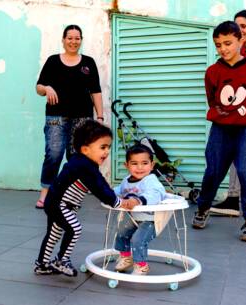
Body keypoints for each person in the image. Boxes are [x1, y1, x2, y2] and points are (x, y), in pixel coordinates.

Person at [34, 120, 139, 277]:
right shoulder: (84, 166)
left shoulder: (85, 163)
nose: (106, 152)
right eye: (102, 147)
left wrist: (113, 194)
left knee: (54, 234)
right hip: (59, 204)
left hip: (57, 203)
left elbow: (100, 182)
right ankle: (61, 260)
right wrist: (117, 202)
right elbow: (98, 188)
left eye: (108, 147)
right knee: (74, 228)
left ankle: (42, 264)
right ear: (85, 149)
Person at [192, 21, 246, 242]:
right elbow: (213, 100)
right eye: (218, 45)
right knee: (213, 171)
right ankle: (203, 208)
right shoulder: (212, 72)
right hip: (221, 129)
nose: (223, 49)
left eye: (228, 43)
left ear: (241, 40)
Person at [35, 24, 104, 209]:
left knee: (76, 157)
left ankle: (70, 196)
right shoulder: (53, 61)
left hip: (82, 118)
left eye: (77, 38)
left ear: (81, 40)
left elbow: (95, 91)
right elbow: (39, 87)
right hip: (56, 116)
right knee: (54, 154)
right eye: (70, 38)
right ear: (63, 40)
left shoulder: (88, 62)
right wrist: (47, 88)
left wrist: (100, 118)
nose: (73, 41)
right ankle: (45, 193)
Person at [210, 9, 246, 217]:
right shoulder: (238, 54)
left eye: (243, 26)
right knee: (238, 163)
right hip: (235, 121)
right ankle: (234, 199)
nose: (240, 30)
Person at [113, 144, 166, 275]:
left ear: (152, 165)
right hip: (135, 217)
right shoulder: (126, 180)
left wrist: (137, 200)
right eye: (134, 163)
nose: (140, 167)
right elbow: (118, 191)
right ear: (127, 165)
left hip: (151, 219)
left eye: (144, 163)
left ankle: (142, 265)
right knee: (121, 233)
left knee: (138, 239)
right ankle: (126, 257)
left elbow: (156, 194)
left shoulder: (151, 180)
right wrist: (108, 194)